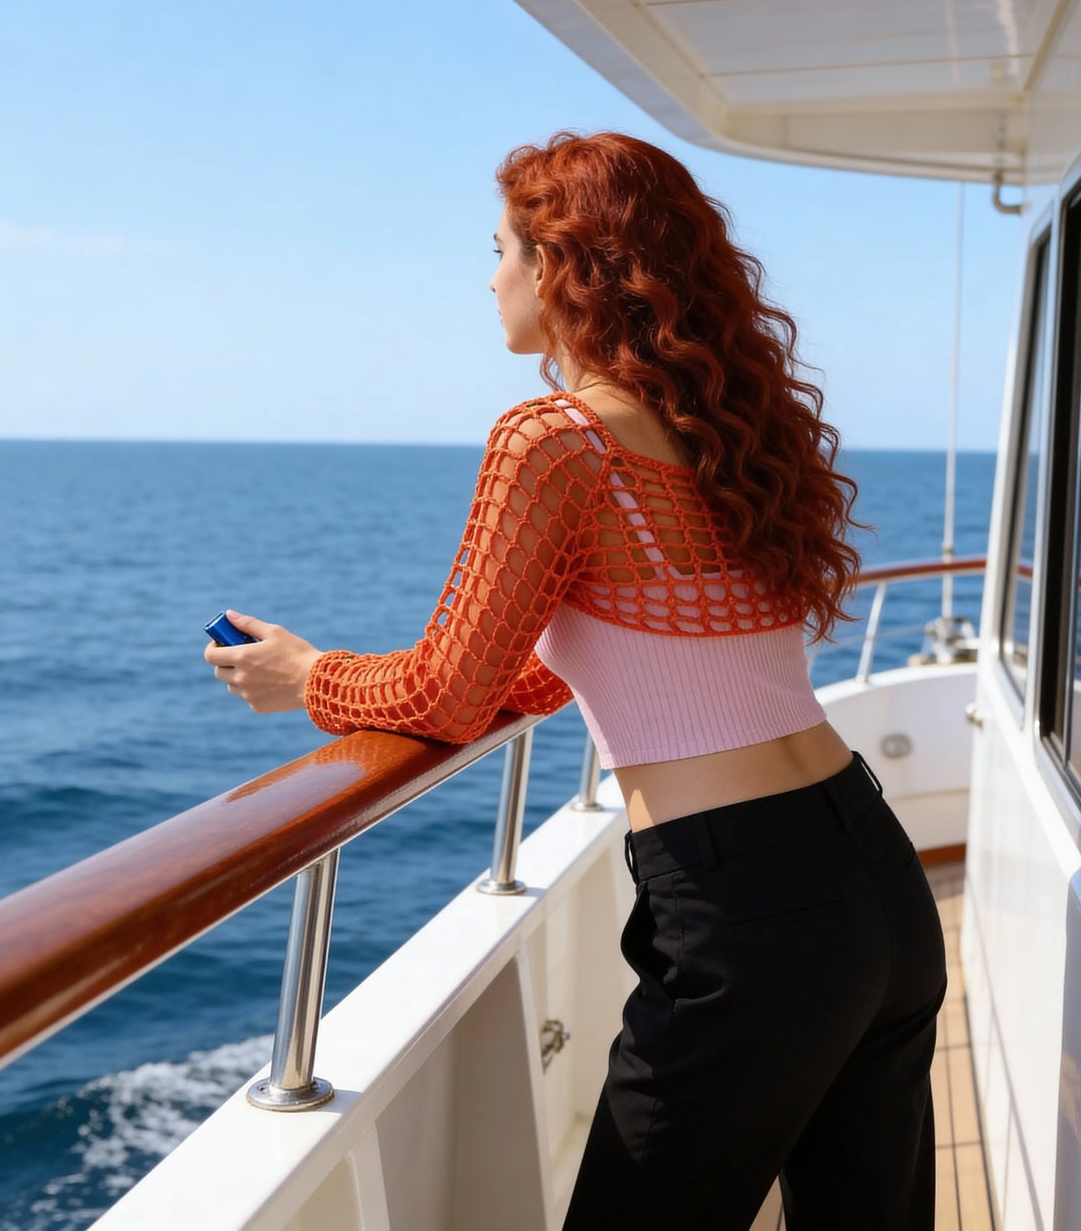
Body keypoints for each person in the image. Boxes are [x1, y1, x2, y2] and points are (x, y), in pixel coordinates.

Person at [203, 130, 949, 1230]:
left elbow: (447, 695)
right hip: (871, 867)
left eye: (500, 249)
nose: (489, 277)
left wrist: (307, 674)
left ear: (558, 266)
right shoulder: (722, 435)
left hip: (744, 907)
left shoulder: (554, 441)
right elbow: (581, 659)